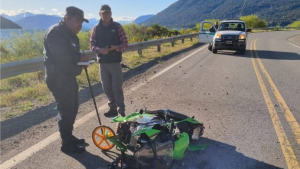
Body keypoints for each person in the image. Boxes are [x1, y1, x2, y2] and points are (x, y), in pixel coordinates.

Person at [44, 6, 89, 153]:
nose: (80, 26)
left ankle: (68, 137)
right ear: (67, 18)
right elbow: (61, 58)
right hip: (57, 78)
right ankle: (66, 144)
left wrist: (82, 62)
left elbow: (73, 56)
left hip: (68, 77)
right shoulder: (55, 33)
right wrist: (80, 59)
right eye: (77, 21)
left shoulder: (71, 35)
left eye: (82, 23)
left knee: (73, 107)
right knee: (66, 110)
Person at [90, 4, 128, 118]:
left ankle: (121, 111)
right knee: (106, 87)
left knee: (117, 87)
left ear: (111, 13)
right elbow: (92, 46)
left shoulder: (117, 27)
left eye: (108, 13)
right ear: (100, 14)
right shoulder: (96, 28)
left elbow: (125, 44)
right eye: (103, 13)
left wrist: (115, 48)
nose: (106, 15)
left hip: (115, 62)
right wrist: (100, 50)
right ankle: (112, 108)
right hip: (102, 63)